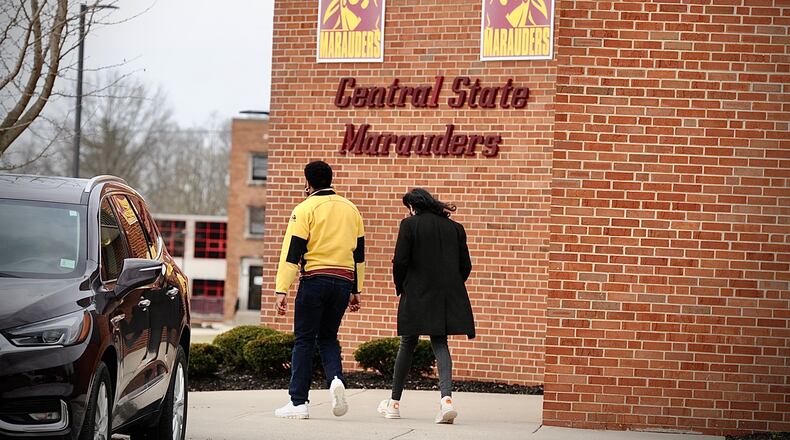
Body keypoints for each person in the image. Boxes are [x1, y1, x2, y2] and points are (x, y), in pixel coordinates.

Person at [273, 160, 364, 419]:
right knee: (328, 337)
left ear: (308, 183)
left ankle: (298, 402)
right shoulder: (352, 210)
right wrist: (356, 289)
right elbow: (360, 256)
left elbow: (292, 253)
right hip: (344, 281)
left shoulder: (305, 209)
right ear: (331, 179)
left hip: (315, 279)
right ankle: (335, 379)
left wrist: (282, 289)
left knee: (303, 340)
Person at [377, 188, 475, 424]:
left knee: (407, 343)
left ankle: (394, 403)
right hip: (445, 294)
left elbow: (400, 260)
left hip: (417, 292)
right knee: (440, 343)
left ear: (413, 206)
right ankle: (446, 401)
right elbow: (466, 266)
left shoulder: (409, 225)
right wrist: (450, 284)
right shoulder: (455, 228)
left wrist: (400, 286)